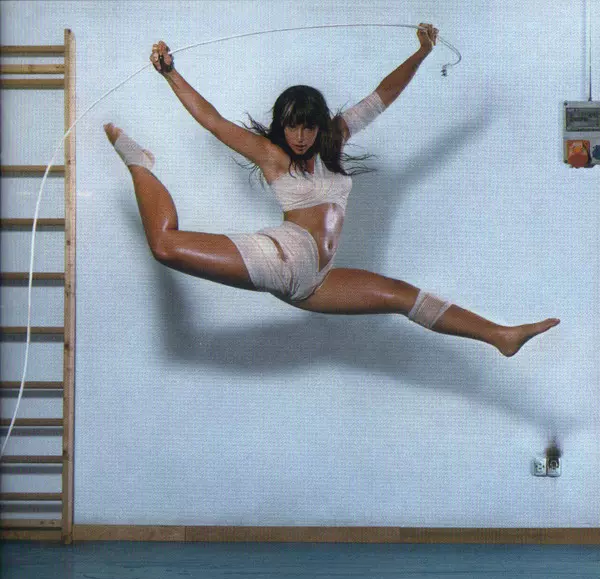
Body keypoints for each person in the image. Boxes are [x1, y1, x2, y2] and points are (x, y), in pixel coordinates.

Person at [104, 24, 559, 357]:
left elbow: (382, 96)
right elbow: (213, 120)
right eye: (292, 127)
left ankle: (500, 335)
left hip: (315, 282)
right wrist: (171, 73)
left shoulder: (333, 141)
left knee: (402, 296)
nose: (300, 137)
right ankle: (140, 164)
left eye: (308, 127)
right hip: (283, 257)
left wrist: (421, 52)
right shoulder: (272, 156)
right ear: (282, 126)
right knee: (164, 246)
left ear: (320, 125)